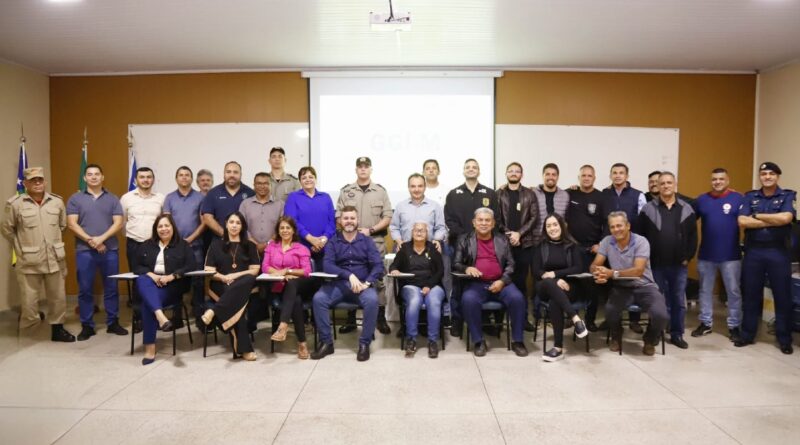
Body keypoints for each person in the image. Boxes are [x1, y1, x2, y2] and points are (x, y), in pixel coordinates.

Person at [2, 167, 74, 341]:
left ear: (45, 182)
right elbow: (7, 229)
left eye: (40, 180)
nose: (37, 183)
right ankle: (29, 334)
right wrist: (22, 247)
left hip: (55, 258)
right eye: (33, 180)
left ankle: (57, 330)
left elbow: (62, 226)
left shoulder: (57, 202)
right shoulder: (15, 204)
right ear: (25, 183)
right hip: (29, 260)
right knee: (29, 301)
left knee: (58, 298)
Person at [736, 162, 796, 354]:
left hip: (778, 252)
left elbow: (786, 218)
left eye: (771, 174)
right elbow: (742, 221)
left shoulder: (787, 195)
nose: (767, 177)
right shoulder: (750, 196)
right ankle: (747, 334)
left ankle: (784, 338)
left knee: (782, 296)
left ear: (777, 176)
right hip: (754, 252)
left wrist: (757, 216)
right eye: (763, 174)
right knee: (751, 294)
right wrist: (772, 220)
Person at [310, 206, 384, 362]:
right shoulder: (333, 241)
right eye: (346, 218)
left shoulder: (367, 241)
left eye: (352, 218)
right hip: (339, 285)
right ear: (340, 221)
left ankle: (364, 344)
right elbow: (328, 265)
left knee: (372, 300)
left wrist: (368, 282)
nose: (349, 221)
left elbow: (378, 265)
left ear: (357, 221)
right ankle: (326, 342)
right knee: (319, 299)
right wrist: (349, 275)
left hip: (363, 285)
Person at [590, 211, 669, 356]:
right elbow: (595, 264)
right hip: (621, 288)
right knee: (609, 311)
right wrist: (598, 273)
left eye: (619, 225)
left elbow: (638, 271)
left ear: (628, 226)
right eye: (612, 227)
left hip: (645, 287)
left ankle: (649, 339)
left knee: (661, 315)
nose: (616, 229)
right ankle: (616, 335)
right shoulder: (607, 241)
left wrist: (612, 273)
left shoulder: (641, 241)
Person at [454, 207, 528, 357]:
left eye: (487, 220)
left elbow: (511, 264)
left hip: (501, 283)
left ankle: (518, 341)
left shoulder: (502, 240)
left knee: (518, 298)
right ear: (474, 223)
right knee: (468, 300)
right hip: (476, 284)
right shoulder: (464, 239)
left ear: (493, 223)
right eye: (480, 220)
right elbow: (456, 263)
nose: (483, 223)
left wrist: (502, 281)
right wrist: (467, 268)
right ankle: (478, 341)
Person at [66, 164, 127, 340]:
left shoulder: (113, 199)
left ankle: (113, 322)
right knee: (85, 289)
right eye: (90, 174)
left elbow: (118, 223)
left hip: (110, 250)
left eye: (97, 174)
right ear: (85, 178)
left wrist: (101, 239)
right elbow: (72, 224)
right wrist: (91, 241)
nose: (93, 177)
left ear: (102, 177)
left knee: (111, 288)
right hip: (85, 250)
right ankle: (87, 325)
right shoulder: (75, 199)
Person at [639, 172, 697, 349]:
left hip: (679, 265)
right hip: (655, 265)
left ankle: (677, 334)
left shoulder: (686, 208)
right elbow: (640, 237)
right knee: (656, 301)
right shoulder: (648, 209)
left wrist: (688, 257)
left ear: (675, 184)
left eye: (668, 183)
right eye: (662, 183)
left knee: (678, 301)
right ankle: (655, 333)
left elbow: (693, 236)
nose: (665, 186)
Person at [335, 157, 393, 335]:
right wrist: (349, 229)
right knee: (351, 274)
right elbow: (338, 216)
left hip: (374, 241)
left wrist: (371, 229)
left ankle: (380, 318)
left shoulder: (380, 191)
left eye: (366, 166)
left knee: (379, 279)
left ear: (371, 169)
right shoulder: (346, 191)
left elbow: (387, 216)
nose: (363, 169)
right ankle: (351, 319)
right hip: (349, 241)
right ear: (356, 170)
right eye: (360, 167)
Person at [132, 214, 196, 365]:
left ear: (172, 227)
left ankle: (150, 349)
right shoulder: (147, 245)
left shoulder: (183, 245)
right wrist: (152, 275)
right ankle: (161, 317)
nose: (164, 229)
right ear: (156, 229)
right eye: (160, 226)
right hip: (152, 284)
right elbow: (137, 266)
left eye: (167, 225)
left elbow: (191, 265)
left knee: (147, 305)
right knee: (143, 279)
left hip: (172, 287)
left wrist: (172, 276)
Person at [444, 159, 498, 336]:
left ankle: (484, 321)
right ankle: (457, 321)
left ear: (479, 171)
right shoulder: (454, 194)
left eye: (474, 167)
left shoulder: (490, 194)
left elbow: (495, 220)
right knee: (459, 285)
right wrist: (466, 239)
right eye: (468, 167)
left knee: (483, 281)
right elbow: (450, 220)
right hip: (460, 246)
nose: (471, 169)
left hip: (485, 247)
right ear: (463, 171)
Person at [691, 168, 744, 341]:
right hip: (706, 255)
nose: (717, 182)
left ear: (728, 180)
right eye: (714, 179)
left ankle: (734, 326)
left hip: (731, 256)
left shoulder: (738, 198)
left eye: (721, 179)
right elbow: (688, 218)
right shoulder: (702, 200)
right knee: (705, 290)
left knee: (733, 292)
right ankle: (706, 323)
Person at [201, 212, 261, 361]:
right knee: (236, 303)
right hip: (221, 286)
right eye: (231, 222)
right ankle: (244, 349)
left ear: (242, 226)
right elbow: (209, 271)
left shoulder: (250, 245)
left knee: (247, 279)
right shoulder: (215, 245)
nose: (234, 225)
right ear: (226, 225)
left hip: (244, 286)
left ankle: (214, 311)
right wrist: (222, 277)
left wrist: (233, 276)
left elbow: (255, 270)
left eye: (238, 223)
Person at [261, 216, 320, 359]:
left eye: (288, 227)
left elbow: (306, 271)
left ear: (293, 230)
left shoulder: (301, 248)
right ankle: (302, 344)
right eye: (282, 228)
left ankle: (283, 325)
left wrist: (288, 271)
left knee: (293, 284)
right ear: (278, 231)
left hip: (301, 284)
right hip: (280, 286)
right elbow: (265, 267)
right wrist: (279, 273)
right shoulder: (271, 247)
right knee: (296, 301)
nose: (285, 230)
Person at [533, 214, 590, 361]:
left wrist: (555, 274)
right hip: (545, 286)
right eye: (548, 226)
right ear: (545, 229)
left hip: (569, 286)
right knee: (548, 283)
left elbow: (578, 268)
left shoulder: (572, 245)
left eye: (555, 224)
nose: (552, 228)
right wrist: (555, 279)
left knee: (555, 301)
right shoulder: (540, 246)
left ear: (562, 225)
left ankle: (557, 348)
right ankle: (576, 318)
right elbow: (536, 271)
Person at [601, 162, 647, 333]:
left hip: (632, 247)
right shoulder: (604, 194)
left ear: (627, 176)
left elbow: (642, 223)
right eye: (614, 173)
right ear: (610, 175)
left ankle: (634, 320)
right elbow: (601, 221)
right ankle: (611, 319)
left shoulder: (639, 195)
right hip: (610, 246)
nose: (618, 175)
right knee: (610, 282)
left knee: (633, 280)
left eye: (621, 173)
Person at [389, 222, 446, 358]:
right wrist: (394, 269)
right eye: (416, 230)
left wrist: (429, 286)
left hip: (433, 285)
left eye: (422, 231)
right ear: (412, 232)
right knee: (414, 300)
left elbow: (440, 271)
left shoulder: (433, 248)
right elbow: (393, 266)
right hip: (410, 285)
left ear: (427, 234)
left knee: (434, 301)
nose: (419, 233)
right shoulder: (404, 248)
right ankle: (411, 340)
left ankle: (433, 342)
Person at [495, 162, 539, 331]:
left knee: (521, 283)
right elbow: (496, 219)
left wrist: (519, 233)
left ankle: (522, 320)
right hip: (503, 245)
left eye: (517, 171)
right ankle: (499, 320)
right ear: (506, 173)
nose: (514, 173)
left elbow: (534, 218)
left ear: (522, 174)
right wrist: (508, 234)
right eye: (510, 171)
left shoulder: (529, 194)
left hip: (524, 244)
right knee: (501, 280)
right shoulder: (498, 194)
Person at [163, 166, 206, 326]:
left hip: (195, 246)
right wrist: (178, 241)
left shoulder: (200, 198)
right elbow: (166, 222)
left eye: (187, 175)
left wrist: (190, 239)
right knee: (175, 281)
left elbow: (204, 222)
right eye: (181, 175)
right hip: (174, 247)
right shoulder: (169, 198)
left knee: (198, 281)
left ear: (191, 178)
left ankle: (200, 315)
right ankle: (177, 316)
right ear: (176, 179)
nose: (184, 178)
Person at [566, 165, 606, 331]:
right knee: (573, 283)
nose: (586, 178)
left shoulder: (601, 197)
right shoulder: (570, 193)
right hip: (572, 248)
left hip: (593, 250)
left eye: (590, 176)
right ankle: (572, 317)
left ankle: (590, 320)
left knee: (592, 286)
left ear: (594, 178)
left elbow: (607, 223)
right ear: (579, 177)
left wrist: (601, 244)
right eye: (583, 175)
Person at [283, 166, 336, 266]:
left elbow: (332, 222)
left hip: (324, 247)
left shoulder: (326, 197)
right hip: (301, 246)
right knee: (304, 279)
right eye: (304, 177)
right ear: (300, 181)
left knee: (323, 279)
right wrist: (311, 239)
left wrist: (323, 240)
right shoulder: (293, 197)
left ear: (315, 179)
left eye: (311, 177)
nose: (308, 180)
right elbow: (292, 221)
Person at [120, 167, 165, 277]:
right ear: (135, 180)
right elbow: (122, 221)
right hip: (134, 244)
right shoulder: (126, 198)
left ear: (153, 180)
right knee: (136, 276)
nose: (145, 180)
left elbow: (165, 221)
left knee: (156, 275)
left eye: (149, 177)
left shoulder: (161, 198)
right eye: (142, 177)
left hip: (155, 243)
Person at [389, 173, 447, 251]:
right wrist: (399, 241)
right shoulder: (400, 206)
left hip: (428, 249)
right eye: (413, 186)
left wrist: (436, 240)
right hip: (405, 249)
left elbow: (440, 227)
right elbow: (394, 227)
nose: (416, 189)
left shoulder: (435, 206)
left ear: (425, 187)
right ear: (408, 188)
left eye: (420, 186)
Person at [201, 161, 255, 238]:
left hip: (244, 241)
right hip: (220, 241)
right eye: (228, 172)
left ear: (241, 175)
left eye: (235, 172)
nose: (232, 175)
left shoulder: (250, 193)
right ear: (224, 174)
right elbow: (207, 217)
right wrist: (225, 235)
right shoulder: (213, 193)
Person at [239, 172, 282, 255]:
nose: (262, 186)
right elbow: (241, 227)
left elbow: (282, 228)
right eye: (259, 183)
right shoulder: (245, 204)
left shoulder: (280, 205)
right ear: (254, 185)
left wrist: (268, 244)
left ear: (271, 185)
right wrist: (255, 244)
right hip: (249, 250)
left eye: (266, 183)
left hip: (274, 251)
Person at [531, 163, 569, 244]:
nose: (550, 177)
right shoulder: (532, 193)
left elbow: (566, 219)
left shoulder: (565, 195)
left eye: (553, 174)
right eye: (547, 174)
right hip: (537, 241)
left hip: (559, 241)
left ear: (558, 177)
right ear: (543, 176)